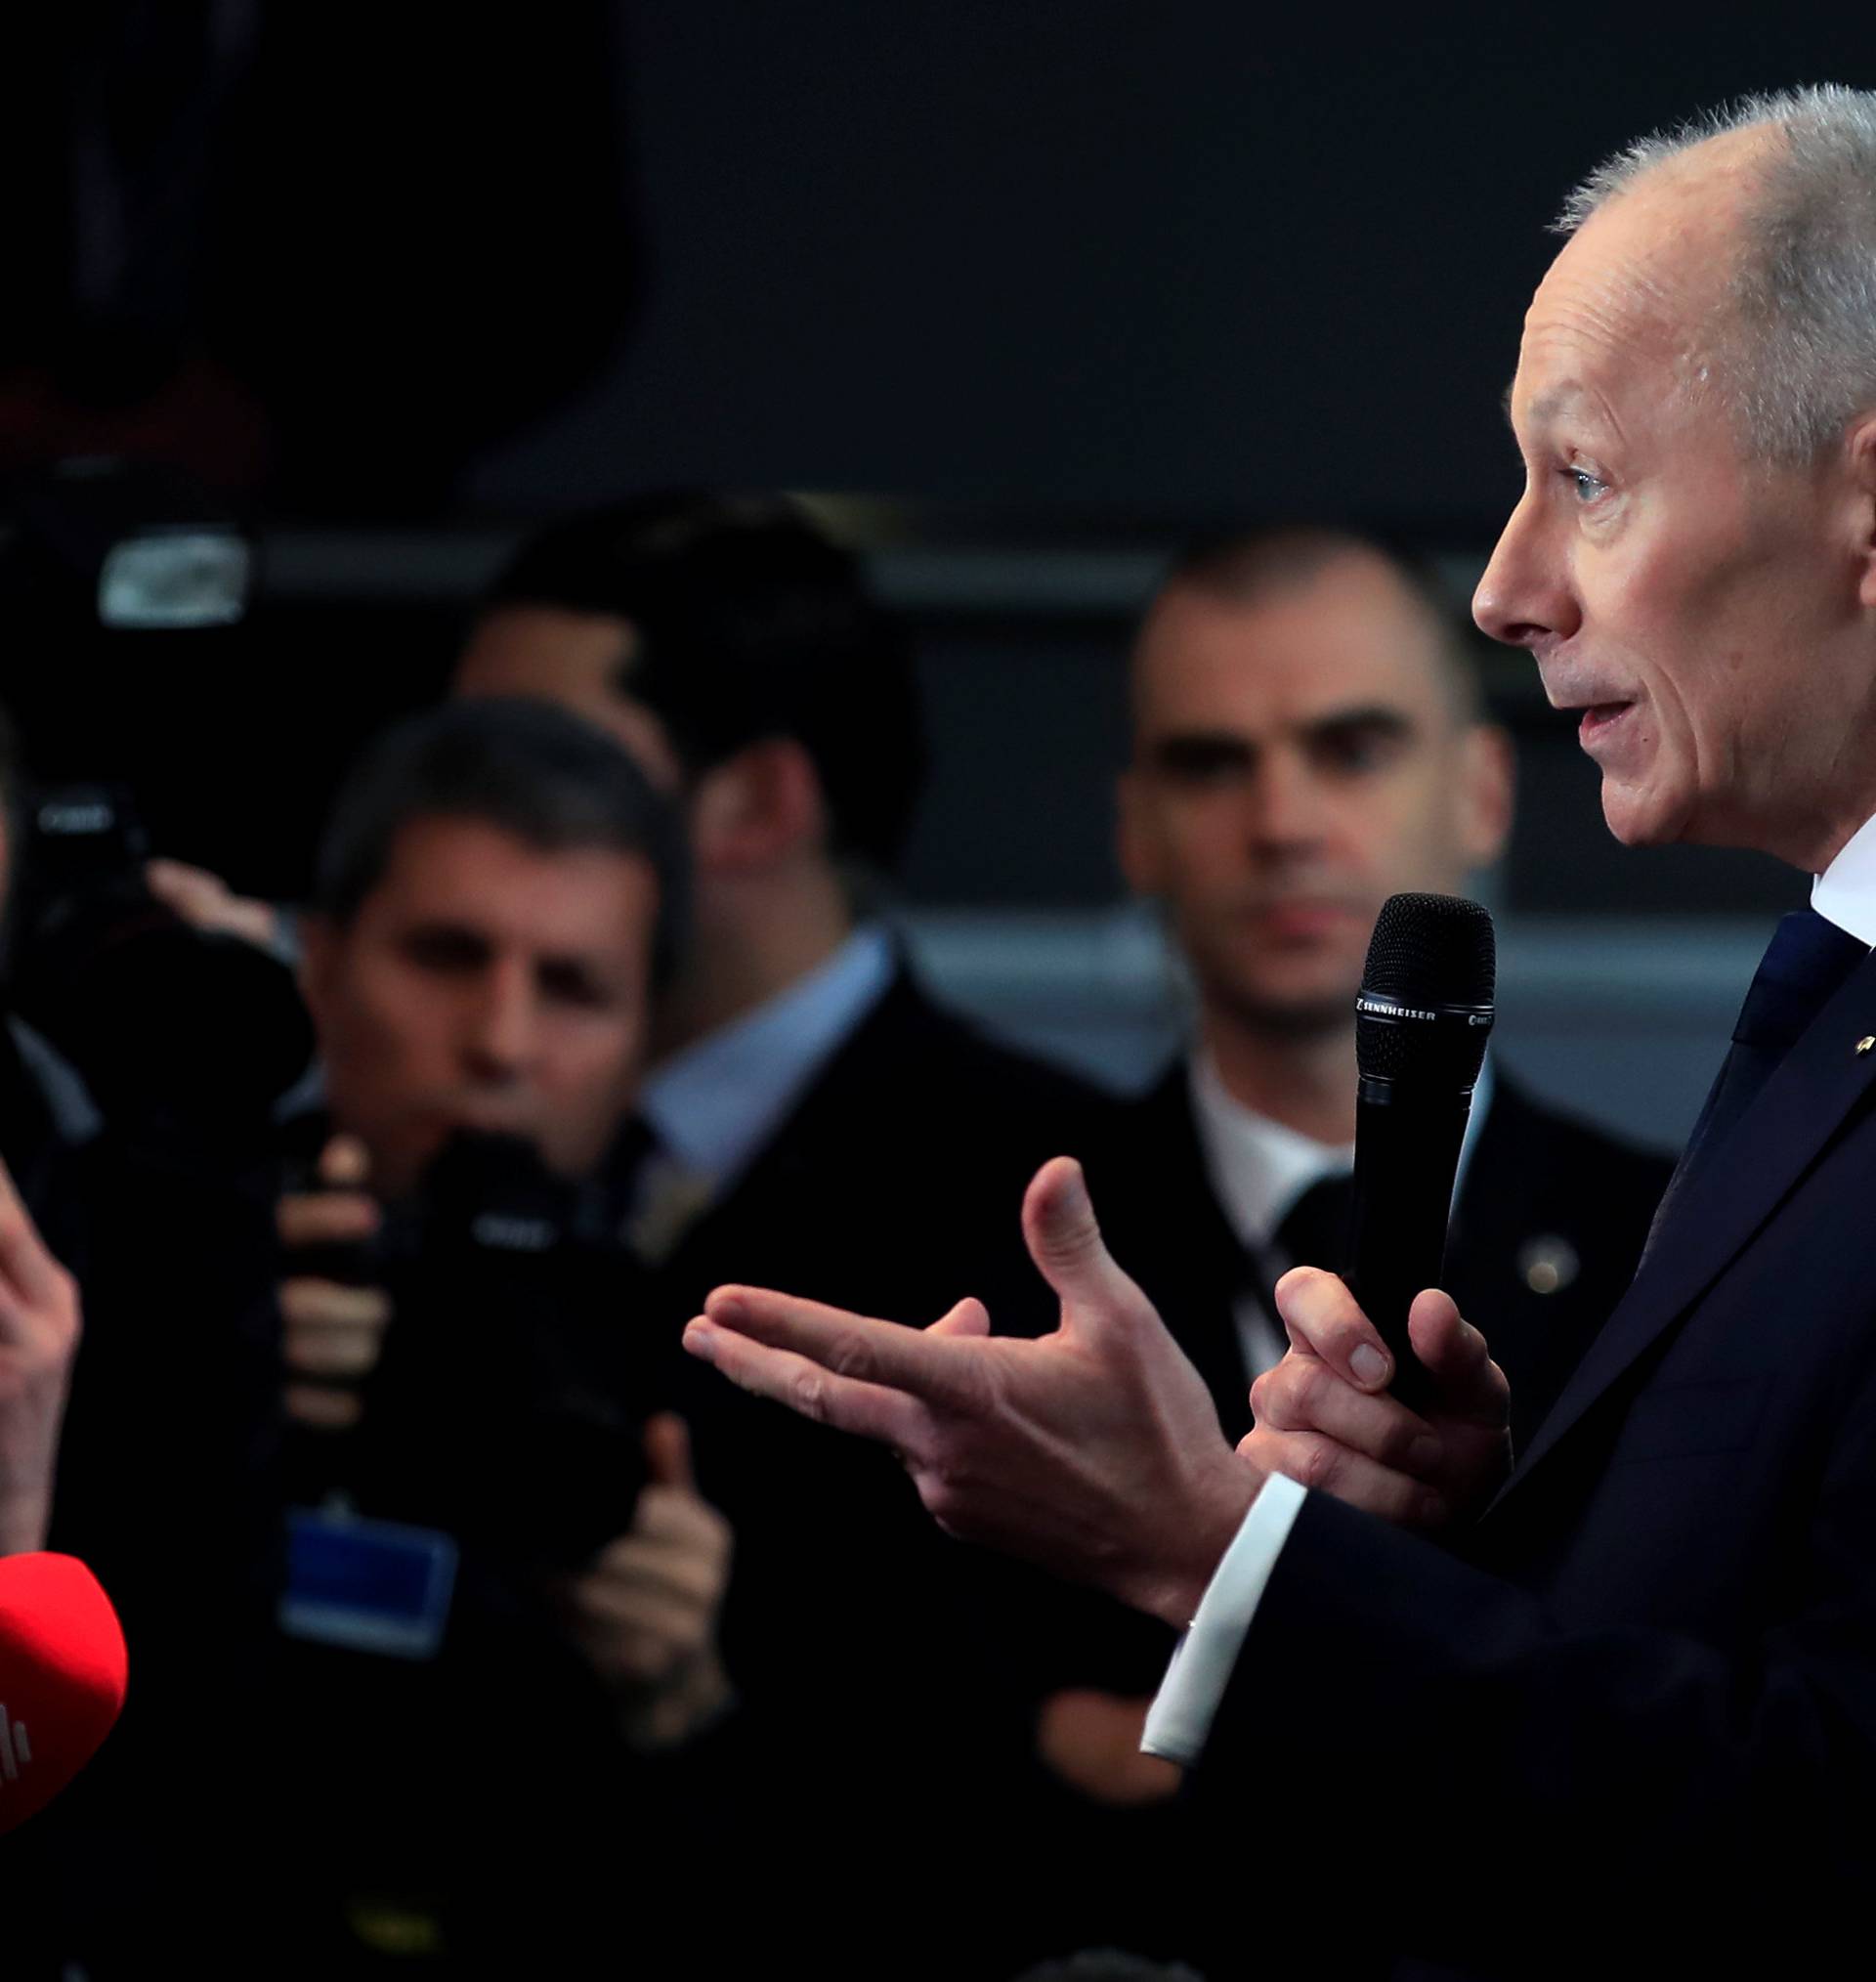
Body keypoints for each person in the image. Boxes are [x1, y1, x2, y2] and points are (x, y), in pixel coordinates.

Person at [683, 84, 1876, 1974]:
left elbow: (1826, 1826)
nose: (1505, 585)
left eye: (1583, 477)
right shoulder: (1834, 1014)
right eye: (1213, 762)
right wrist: (1489, 1538)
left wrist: (1212, 1550)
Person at [258, 698, 730, 1971]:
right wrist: (194, 1394)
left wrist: (681, 1704)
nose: (501, 1043)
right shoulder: (149, 1277)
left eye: (572, 987)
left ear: (651, 1042)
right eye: (445, 955)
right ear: (318, 965)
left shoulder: (730, 1357)